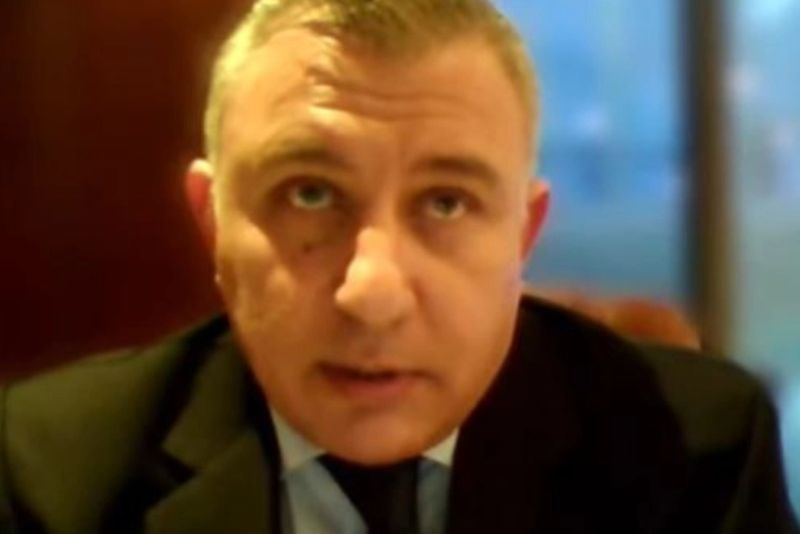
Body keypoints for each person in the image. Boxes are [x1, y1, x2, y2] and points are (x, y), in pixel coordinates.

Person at [0, 0, 797, 532]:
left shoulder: (698, 454)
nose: (372, 293)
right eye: (310, 194)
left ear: (522, 237)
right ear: (214, 225)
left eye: (446, 203)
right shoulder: (49, 472)